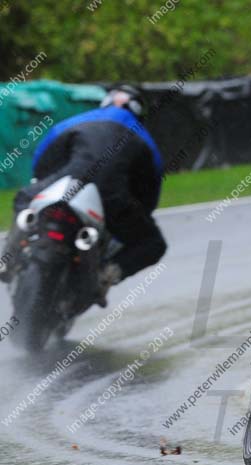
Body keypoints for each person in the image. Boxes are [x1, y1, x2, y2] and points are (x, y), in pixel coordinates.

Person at [0, 85, 167, 305]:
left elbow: (44, 154)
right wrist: (138, 215)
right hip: (111, 197)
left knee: (25, 197)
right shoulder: (144, 138)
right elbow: (150, 190)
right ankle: (106, 275)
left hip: (66, 180)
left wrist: (42, 183)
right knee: (154, 243)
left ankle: (8, 258)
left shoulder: (78, 120)